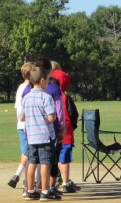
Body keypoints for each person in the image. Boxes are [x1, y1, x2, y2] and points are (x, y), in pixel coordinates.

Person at [20, 65, 61, 201]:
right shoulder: (46, 97)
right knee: (45, 163)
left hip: (31, 137)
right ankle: (44, 190)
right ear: (42, 80)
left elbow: (22, 117)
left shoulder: (26, 97)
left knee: (32, 163)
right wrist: (52, 115)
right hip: (44, 136)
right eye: (48, 80)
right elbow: (51, 117)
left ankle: (30, 190)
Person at [51, 61, 81, 193]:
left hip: (51, 130)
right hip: (66, 130)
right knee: (64, 157)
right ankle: (65, 182)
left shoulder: (47, 94)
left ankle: (54, 180)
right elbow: (73, 114)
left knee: (54, 156)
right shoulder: (65, 97)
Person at [8, 62, 33, 189]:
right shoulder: (28, 88)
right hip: (27, 125)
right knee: (29, 153)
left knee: (26, 152)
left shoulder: (20, 88)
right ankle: (20, 177)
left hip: (21, 125)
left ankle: (20, 176)